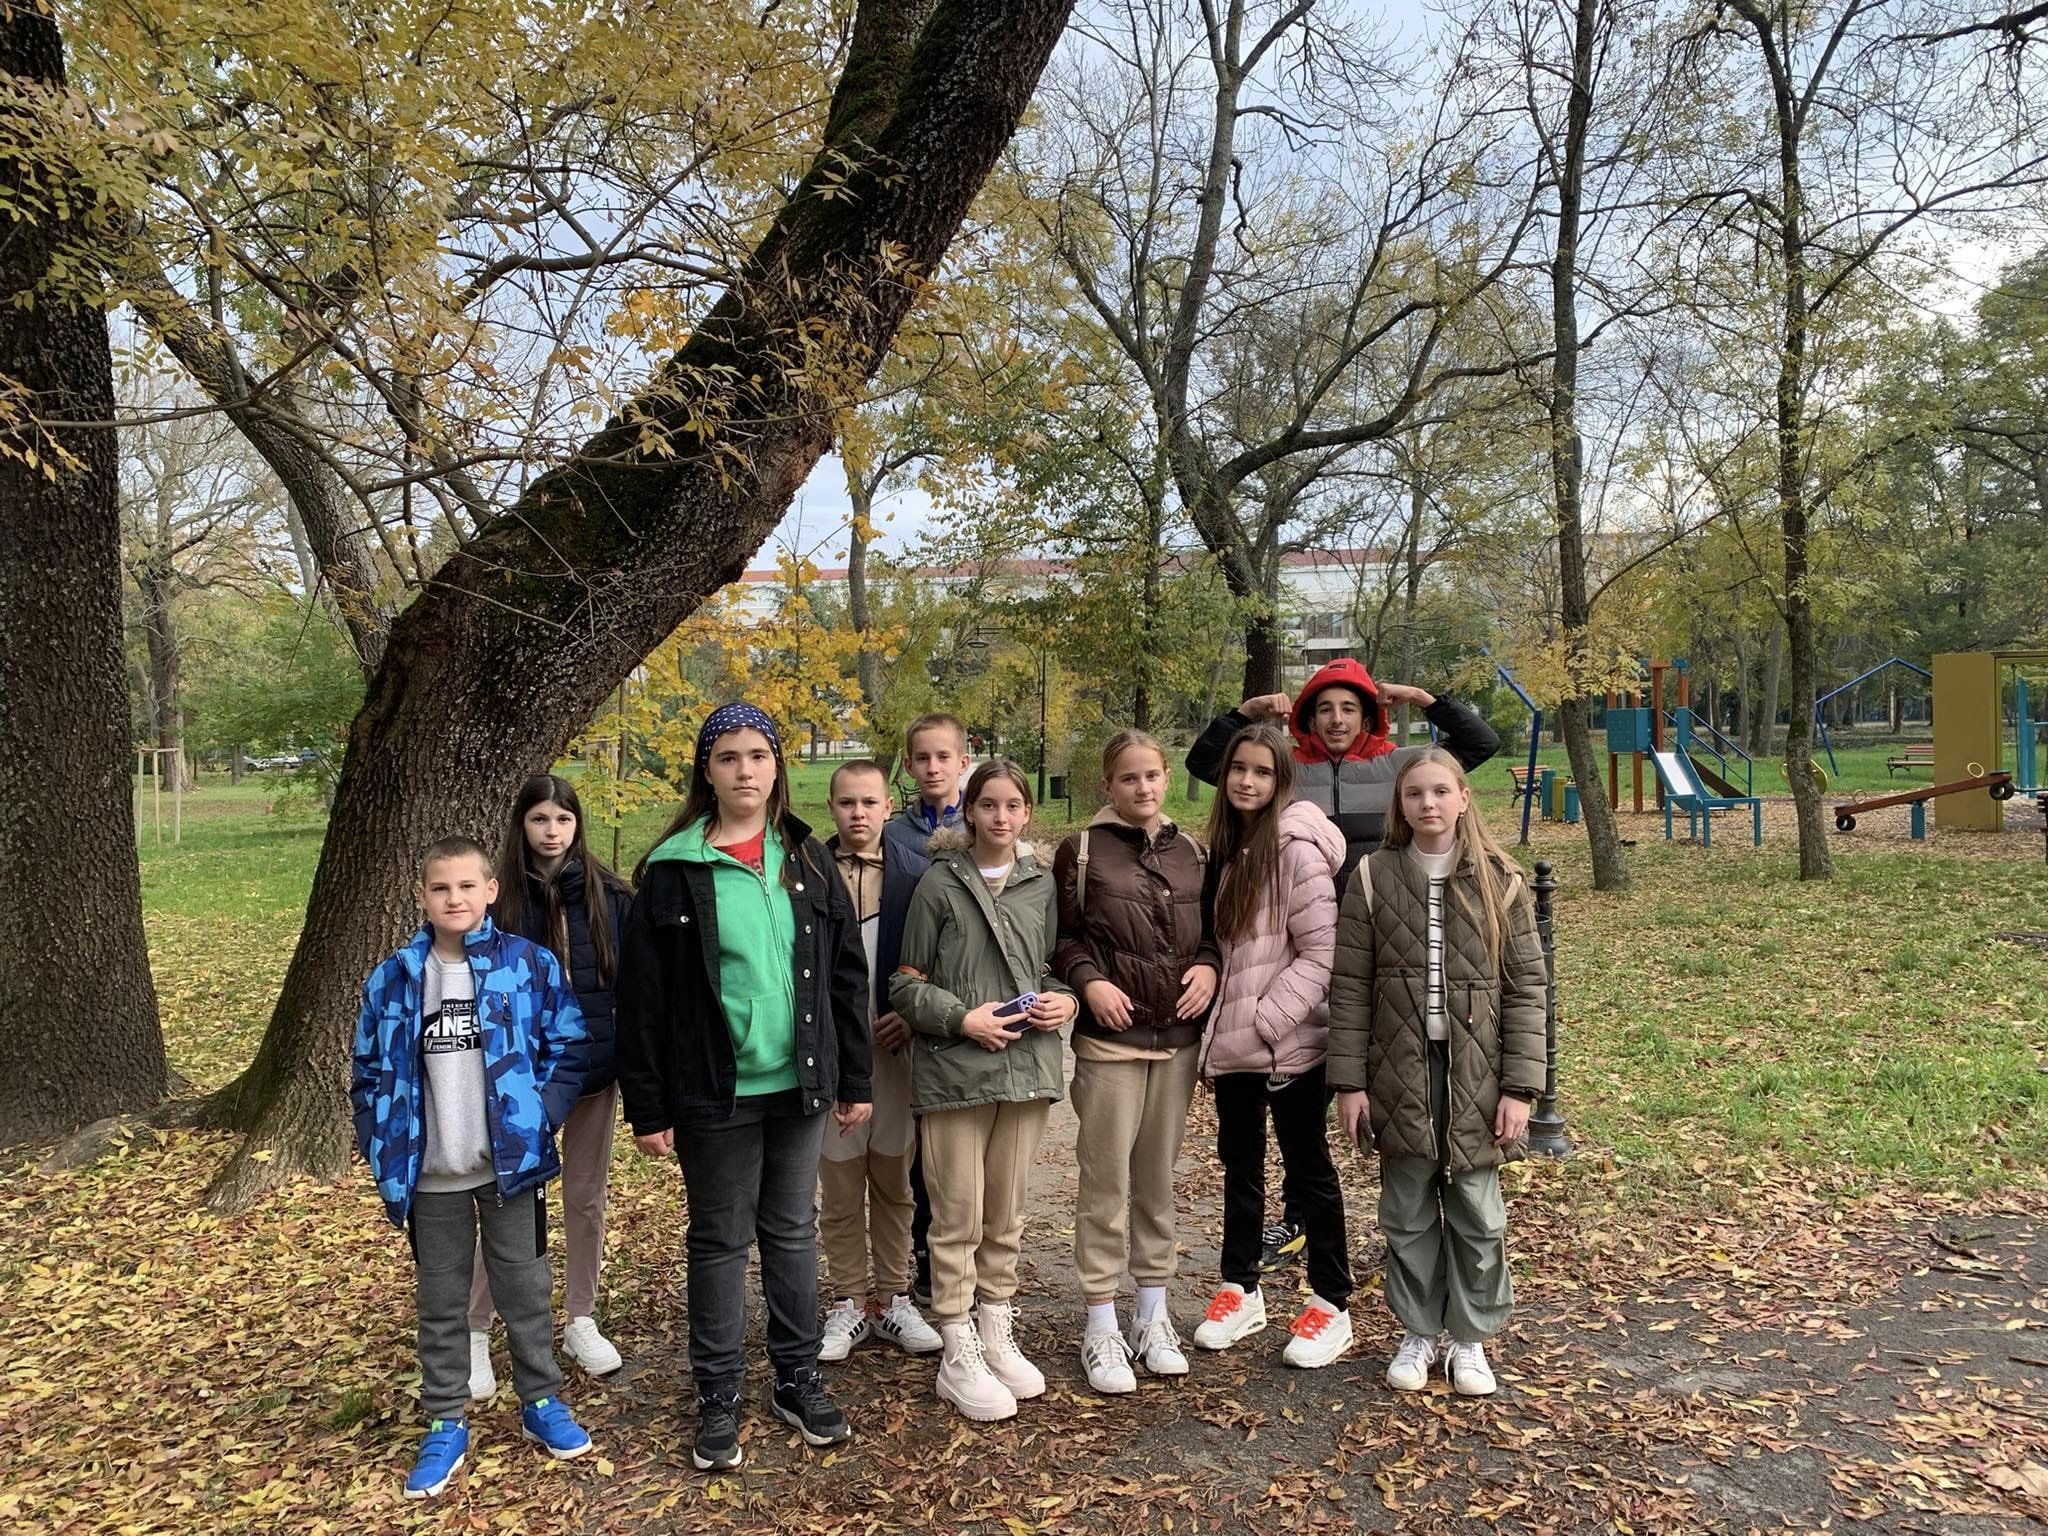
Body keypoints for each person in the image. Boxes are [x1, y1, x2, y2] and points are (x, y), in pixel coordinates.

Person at [614, 704, 872, 1472]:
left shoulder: (807, 858)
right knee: (721, 1239)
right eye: (728, 757)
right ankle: (718, 1392)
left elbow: (845, 974)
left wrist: (854, 1075)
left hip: (800, 1084)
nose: (745, 770)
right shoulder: (673, 870)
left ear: (777, 765)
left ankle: (796, 1378)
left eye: (758, 754)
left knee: (791, 1231)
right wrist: (648, 1105)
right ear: (708, 771)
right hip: (714, 1090)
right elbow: (643, 1000)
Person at [1185, 659, 1499, 1274]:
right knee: (1300, 1090)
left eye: (1349, 708)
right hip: (1296, 950)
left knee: (1373, 1081)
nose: (1336, 720)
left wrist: (1425, 698)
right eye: (1324, 708)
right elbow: (1209, 763)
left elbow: (1476, 746)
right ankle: (1300, 1220)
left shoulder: (1393, 765)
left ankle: (1406, 1218)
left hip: (1376, 941)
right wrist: (1246, 713)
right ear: (1306, 715)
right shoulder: (1288, 767)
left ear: (1367, 715)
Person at [350, 836, 593, 1500]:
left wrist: (540, 1115)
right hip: (431, 1177)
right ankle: (445, 1419)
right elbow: (367, 1072)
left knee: (525, 1288)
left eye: (466, 886)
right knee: (442, 1299)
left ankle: (541, 1401)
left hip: (508, 1169)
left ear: (490, 890)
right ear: (422, 896)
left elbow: (570, 1042)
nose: (453, 899)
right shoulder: (395, 978)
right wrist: (380, 1140)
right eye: (440, 888)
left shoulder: (528, 965)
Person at [1328, 747, 1547, 1398]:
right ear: (1399, 805)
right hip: (1398, 1067)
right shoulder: (1373, 877)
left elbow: (1527, 990)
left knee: (1478, 1209)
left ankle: (1470, 1336)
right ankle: (1419, 1330)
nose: (1428, 803)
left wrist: (1520, 1088)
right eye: (1414, 793)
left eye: (1440, 791)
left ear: (1463, 799)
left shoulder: (1501, 880)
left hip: (1478, 1069)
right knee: (1407, 1210)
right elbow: (1350, 987)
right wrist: (1350, 1083)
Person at [889, 759, 1078, 1423]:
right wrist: (961, 1018)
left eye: (1013, 806)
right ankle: (957, 1344)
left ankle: (995, 1326)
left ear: (1027, 813)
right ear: (968, 811)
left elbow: (1049, 968)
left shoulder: (1040, 884)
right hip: (954, 1072)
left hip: (1024, 1071)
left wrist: (1064, 1001)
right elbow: (905, 983)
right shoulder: (939, 882)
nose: (1001, 817)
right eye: (989, 804)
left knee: (1006, 1211)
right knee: (958, 1213)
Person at [1052, 730, 1218, 1394]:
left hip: (1175, 1042)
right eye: (1128, 777)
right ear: (1108, 784)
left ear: (1167, 777)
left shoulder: (1194, 853)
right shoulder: (1082, 850)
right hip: (1110, 1044)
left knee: (1157, 1182)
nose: (1142, 787)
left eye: (1152, 775)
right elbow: (1061, 938)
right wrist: (1088, 980)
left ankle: (1153, 1314)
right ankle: (1101, 1323)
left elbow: (1215, 933)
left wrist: (1209, 967)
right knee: (1105, 1186)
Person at [1189, 724, 1355, 1369]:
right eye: (1239, 769)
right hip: (1237, 1045)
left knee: (1308, 1170)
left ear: (1281, 780)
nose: (1247, 781)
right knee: (1240, 1167)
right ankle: (1242, 1288)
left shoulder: (1295, 849)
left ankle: (1331, 1302)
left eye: (1262, 771)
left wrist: (1267, 1021)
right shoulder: (1228, 849)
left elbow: (1322, 952)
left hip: (1288, 1044)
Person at [468, 775, 635, 1398]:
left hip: (592, 1072)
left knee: (586, 1197)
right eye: (540, 819)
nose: (551, 831)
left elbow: (629, 986)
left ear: (576, 825)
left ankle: (581, 1318)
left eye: (563, 820)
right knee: (507, 1197)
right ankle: (475, 1327)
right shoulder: (498, 902)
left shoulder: (609, 896)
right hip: (516, 1082)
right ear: (522, 824)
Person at [817, 760, 944, 1361]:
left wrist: (913, 1014)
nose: (858, 813)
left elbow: (939, 956)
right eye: (847, 802)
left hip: (895, 1048)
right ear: (831, 808)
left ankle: (894, 1296)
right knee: (840, 1177)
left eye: (869, 802)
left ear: (888, 808)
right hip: (829, 1054)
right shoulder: (806, 872)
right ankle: (847, 1298)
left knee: (894, 1177)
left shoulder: (916, 875)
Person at [880, 710, 973, 1306]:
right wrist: (902, 1004)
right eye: (922, 758)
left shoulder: (984, 823)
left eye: (943, 757)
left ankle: (961, 1249)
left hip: (963, 1006)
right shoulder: (892, 835)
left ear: (963, 761)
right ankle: (918, 1250)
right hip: (905, 1003)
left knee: (955, 1138)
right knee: (912, 1138)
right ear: (909, 767)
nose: (933, 767)